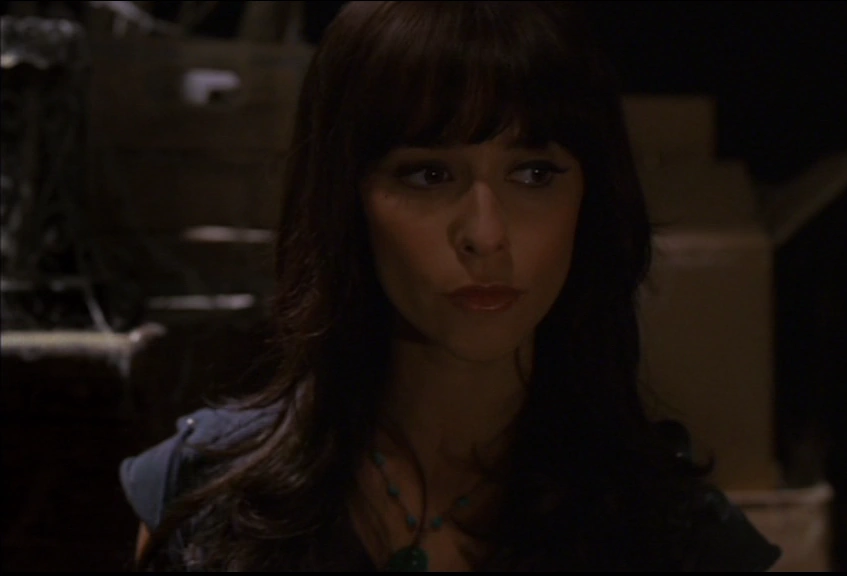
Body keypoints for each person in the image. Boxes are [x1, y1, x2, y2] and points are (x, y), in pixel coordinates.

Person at [119, 1, 781, 571]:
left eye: (534, 174)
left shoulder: (675, 541)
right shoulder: (206, 499)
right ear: (345, 198)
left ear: (592, 202)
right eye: (430, 175)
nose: (486, 235)